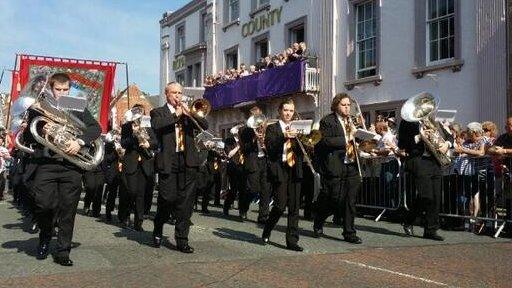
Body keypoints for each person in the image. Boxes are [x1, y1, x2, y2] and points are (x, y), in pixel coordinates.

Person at [23, 72, 101, 266]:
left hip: (70, 165)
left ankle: (63, 251)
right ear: (50, 88)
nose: (62, 93)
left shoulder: (75, 104)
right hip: (46, 164)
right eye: (58, 89)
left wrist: (80, 141)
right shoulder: (39, 106)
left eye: (66, 89)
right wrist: (43, 129)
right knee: (43, 204)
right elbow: (28, 136)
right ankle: (46, 233)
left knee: (68, 209)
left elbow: (95, 128)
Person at [150, 82, 208, 253]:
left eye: (180, 93)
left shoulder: (188, 112)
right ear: (167, 94)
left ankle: (182, 239)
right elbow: (157, 126)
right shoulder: (158, 112)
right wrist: (176, 114)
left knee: (186, 203)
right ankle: (158, 225)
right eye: (174, 93)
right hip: (169, 160)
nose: (178, 96)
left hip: (188, 160)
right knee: (167, 199)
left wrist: (191, 114)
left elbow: (204, 126)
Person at [398, 98, 453, 241]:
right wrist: (419, 137)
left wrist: (447, 144)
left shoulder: (434, 121)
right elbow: (401, 143)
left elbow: (449, 137)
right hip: (419, 160)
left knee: (436, 196)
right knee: (426, 196)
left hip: (434, 161)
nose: (425, 110)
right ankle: (410, 220)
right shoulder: (407, 121)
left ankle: (430, 230)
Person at [313, 93, 363, 244]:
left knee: (350, 201)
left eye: (349, 105)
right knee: (334, 199)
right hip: (335, 166)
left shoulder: (352, 121)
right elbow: (325, 141)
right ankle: (319, 219)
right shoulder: (327, 121)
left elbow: (357, 139)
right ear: (336, 105)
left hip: (352, 165)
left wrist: (364, 136)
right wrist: (348, 138)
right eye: (344, 105)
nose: (347, 108)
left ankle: (349, 232)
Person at [262, 98, 304, 251]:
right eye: (286, 110)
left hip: (295, 168)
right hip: (280, 168)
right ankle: (267, 228)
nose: (288, 113)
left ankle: (292, 241)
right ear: (280, 111)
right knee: (280, 205)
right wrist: (285, 136)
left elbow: (304, 149)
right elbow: (270, 148)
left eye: (291, 111)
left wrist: (302, 139)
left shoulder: (298, 127)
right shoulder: (273, 128)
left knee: (294, 206)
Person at [121, 104, 157, 231]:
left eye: (140, 112)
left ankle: (138, 222)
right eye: (136, 111)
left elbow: (155, 142)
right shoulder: (127, 126)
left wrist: (148, 143)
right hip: (131, 162)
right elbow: (123, 143)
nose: (138, 114)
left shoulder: (148, 125)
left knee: (141, 194)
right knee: (131, 192)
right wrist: (134, 134)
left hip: (145, 163)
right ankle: (125, 216)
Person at [239, 105, 271, 224]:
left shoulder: (267, 129)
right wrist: (254, 138)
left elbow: (272, 148)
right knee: (253, 189)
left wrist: (264, 143)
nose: (257, 121)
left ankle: (263, 217)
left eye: (258, 116)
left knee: (265, 190)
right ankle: (243, 207)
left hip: (265, 161)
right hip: (253, 161)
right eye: (253, 116)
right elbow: (244, 149)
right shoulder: (244, 130)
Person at [0, 136, 11, 201]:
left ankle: (1, 195)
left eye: (1, 141)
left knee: (2, 182)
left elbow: (9, 158)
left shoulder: (4, 149)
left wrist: (4, 155)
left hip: (2, 168)